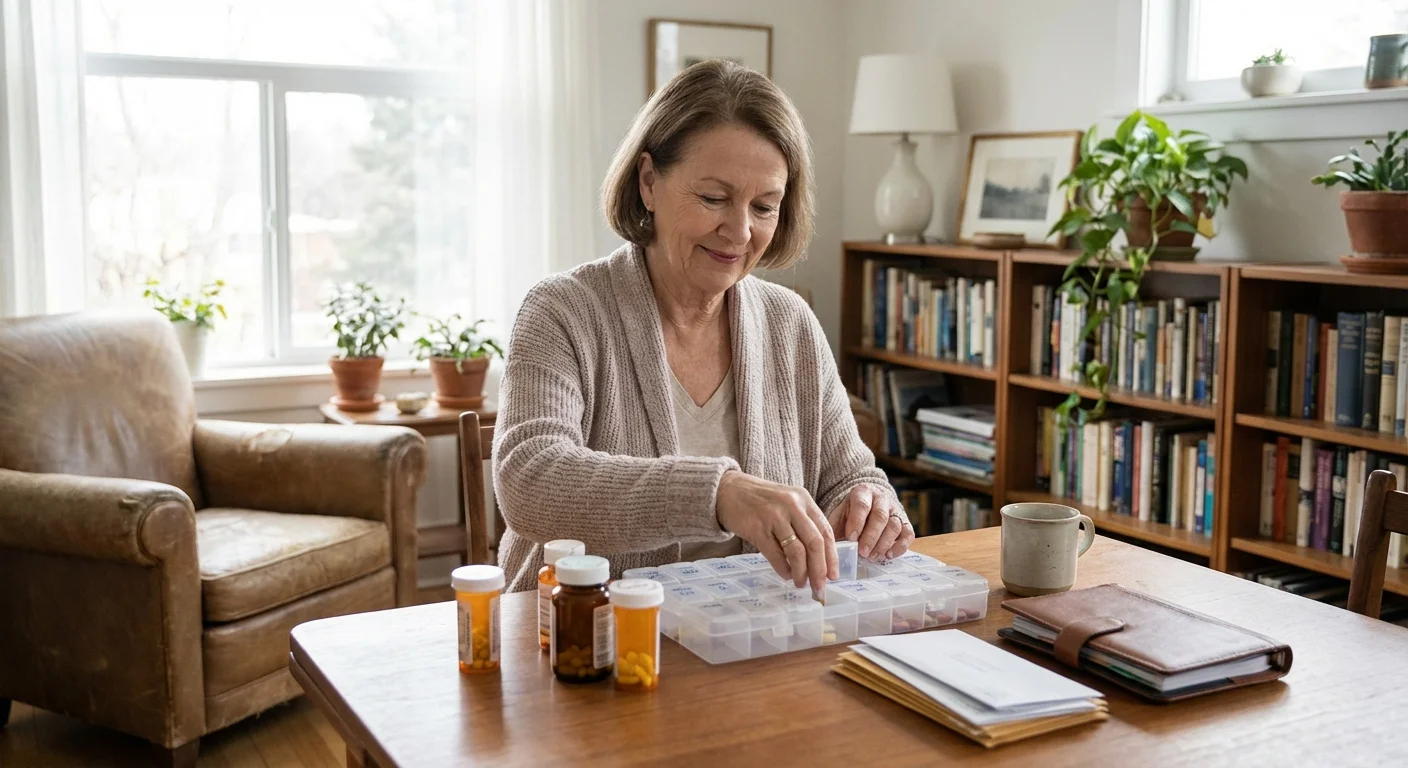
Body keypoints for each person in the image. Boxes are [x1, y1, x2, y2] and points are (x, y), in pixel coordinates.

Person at [491, 59, 911, 594]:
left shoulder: (790, 324)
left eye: (764, 206)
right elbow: (531, 479)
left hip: (751, 639)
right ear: (648, 182)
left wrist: (869, 505)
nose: (739, 231)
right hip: (580, 638)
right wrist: (719, 494)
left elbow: (847, 474)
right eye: (713, 198)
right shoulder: (562, 310)